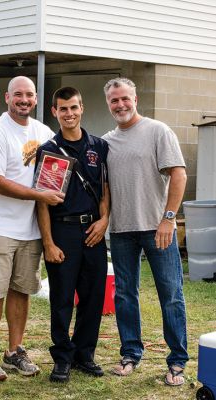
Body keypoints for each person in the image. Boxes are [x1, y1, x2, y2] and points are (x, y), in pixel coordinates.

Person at [0, 76, 64, 381]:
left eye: (29, 95)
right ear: (7, 97)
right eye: (18, 95)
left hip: (31, 228)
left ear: (36, 99)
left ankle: (14, 351)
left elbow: (61, 161)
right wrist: (41, 194)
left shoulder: (43, 132)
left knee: (21, 290)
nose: (23, 100)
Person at [102, 77, 189, 386]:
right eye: (114, 100)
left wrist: (169, 219)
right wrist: (104, 221)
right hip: (122, 231)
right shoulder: (106, 141)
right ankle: (130, 354)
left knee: (171, 295)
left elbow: (178, 175)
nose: (120, 104)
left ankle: (177, 361)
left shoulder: (157, 131)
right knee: (125, 295)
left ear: (135, 99)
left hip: (157, 229)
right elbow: (106, 189)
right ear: (108, 104)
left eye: (125, 98)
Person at [36, 86, 110, 383]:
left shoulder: (99, 147)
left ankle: (84, 355)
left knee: (93, 297)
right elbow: (42, 200)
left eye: (74, 108)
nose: (69, 114)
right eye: (63, 109)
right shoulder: (49, 150)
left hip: (93, 230)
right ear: (55, 111)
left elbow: (105, 190)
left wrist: (104, 221)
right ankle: (63, 358)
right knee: (63, 299)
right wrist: (49, 243)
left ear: (82, 109)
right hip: (63, 231)